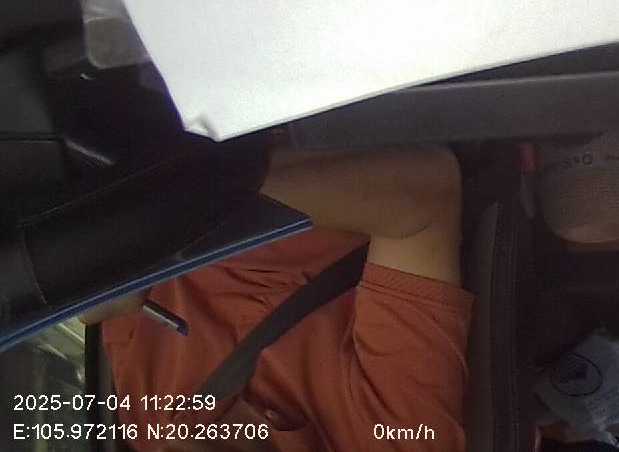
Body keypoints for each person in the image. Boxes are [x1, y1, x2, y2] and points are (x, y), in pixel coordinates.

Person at [79, 144, 472, 452]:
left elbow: (113, 269)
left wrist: (116, 260)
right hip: (332, 108)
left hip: (163, 130)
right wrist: (170, 211)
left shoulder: (145, 420)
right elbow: (425, 191)